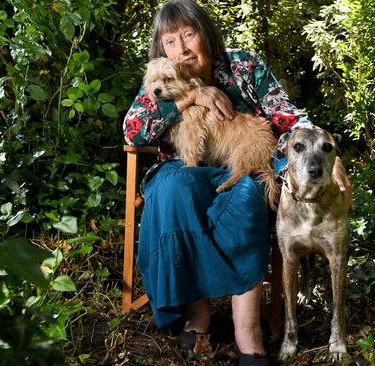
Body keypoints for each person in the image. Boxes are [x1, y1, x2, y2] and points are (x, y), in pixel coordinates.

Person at [122, 1, 350, 364]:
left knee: (248, 193)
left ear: (206, 34)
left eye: (188, 35)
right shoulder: (159, 76)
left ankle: (248, 329)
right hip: (181, 167)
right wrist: (189, 98)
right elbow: (132, 131)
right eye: (169, 41)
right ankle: (199, 315)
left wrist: (329, 161)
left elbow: (288, 116)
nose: (180, 49)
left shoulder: (244, 64)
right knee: (176, 190)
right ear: (160, 48)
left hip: (245, 162)